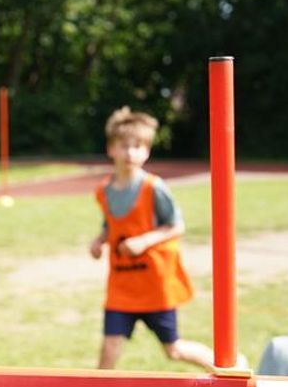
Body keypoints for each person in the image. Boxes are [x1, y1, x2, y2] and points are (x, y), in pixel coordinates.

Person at [89, 106, 216, 370]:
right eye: (124, 145)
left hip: (155, 286)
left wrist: (143, 241)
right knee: (109, 350)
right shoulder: (104, 190)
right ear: (111, 148)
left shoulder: (153, 187)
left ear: (146, 151)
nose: (130, 152)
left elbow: (176, 226)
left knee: (174, 350)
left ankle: (230, 368)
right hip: (122, 288)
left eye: (138, 146)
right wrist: (100, 240)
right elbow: (111, 224)